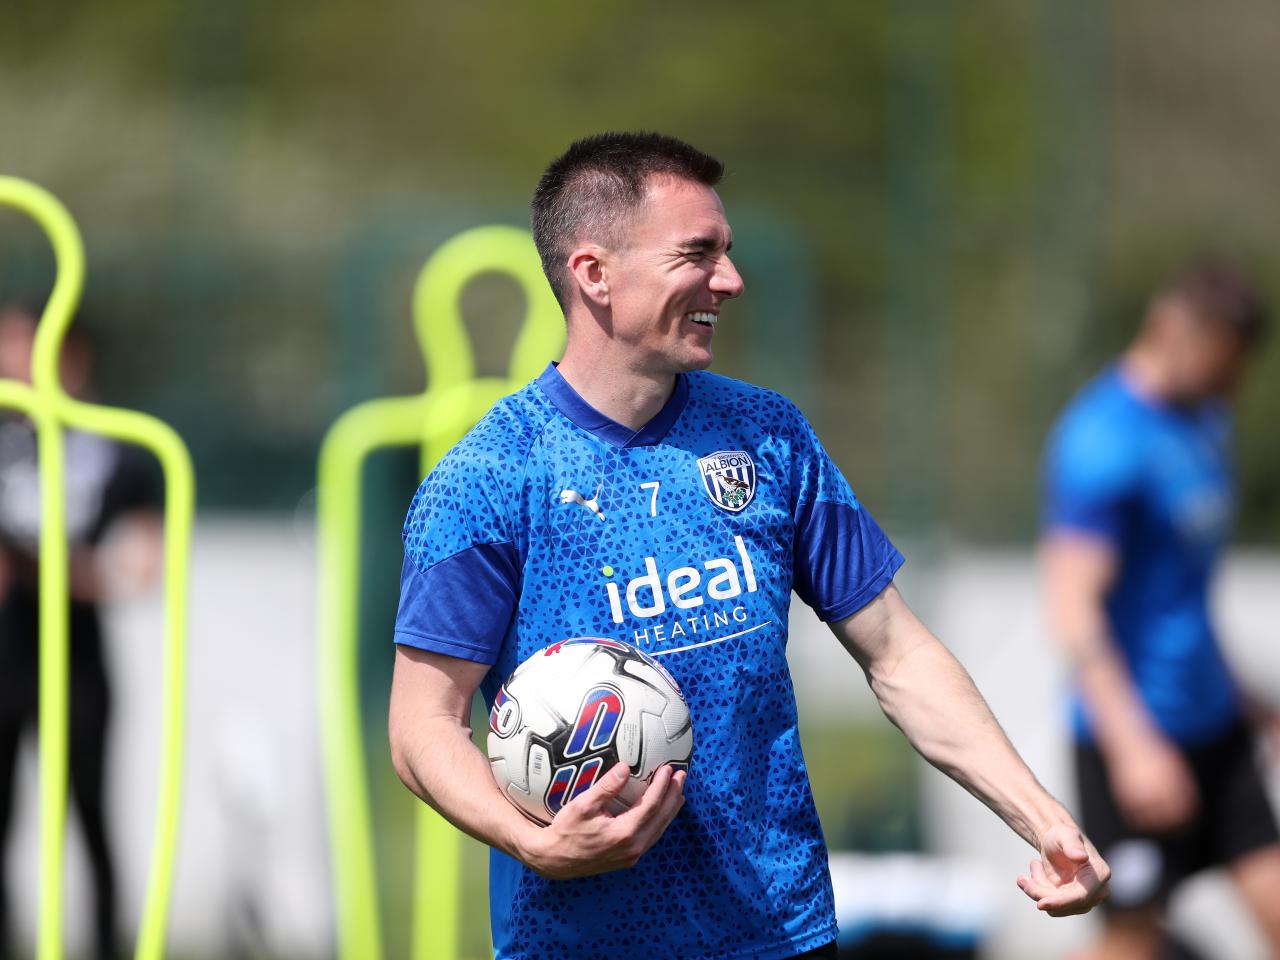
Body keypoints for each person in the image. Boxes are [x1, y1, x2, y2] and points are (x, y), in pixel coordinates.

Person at [389, 132, 1109, 960]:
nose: (729, 281)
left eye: (726, 253)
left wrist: (1044, 818)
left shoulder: (767, 436)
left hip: (780, 932)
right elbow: (422, 726)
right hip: (581, 943)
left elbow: (898, 653)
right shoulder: (490, 477)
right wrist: (536, 845)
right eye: (697, 255)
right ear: (594, 273)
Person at [1040, 261, 1280, 960]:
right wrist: (1133, 744)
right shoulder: (1103, 440)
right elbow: (1072, 605)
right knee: (1131, 943)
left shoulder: (1207, 423)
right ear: (1179, 333)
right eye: (1227, 362)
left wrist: (1242, 695)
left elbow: (1181, 590)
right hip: (1131, 740)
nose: (1236, 381)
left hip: (1215, 729)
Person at [0, 301, 163, 960]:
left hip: (78, 663)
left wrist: (50, 568)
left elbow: (140, 568)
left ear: (69, 356)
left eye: (20, 343)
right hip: (5, 657)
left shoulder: (118, 450)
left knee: (91, 821)